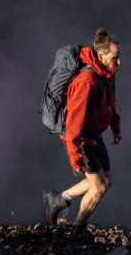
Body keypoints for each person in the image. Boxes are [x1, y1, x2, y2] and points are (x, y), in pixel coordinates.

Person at [43, 29, 122, 233]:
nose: (119, 62)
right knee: (99, 187)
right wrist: (75, 157)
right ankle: (78, 230)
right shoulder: (86, 80)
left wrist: (116, 129)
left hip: (95, 135)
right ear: (101, 56)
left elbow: (110, 104)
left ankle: (58, 200)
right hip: (81, 138)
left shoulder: (107, 75)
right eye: (115, 58)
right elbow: (73, 123)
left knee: (107, 182)